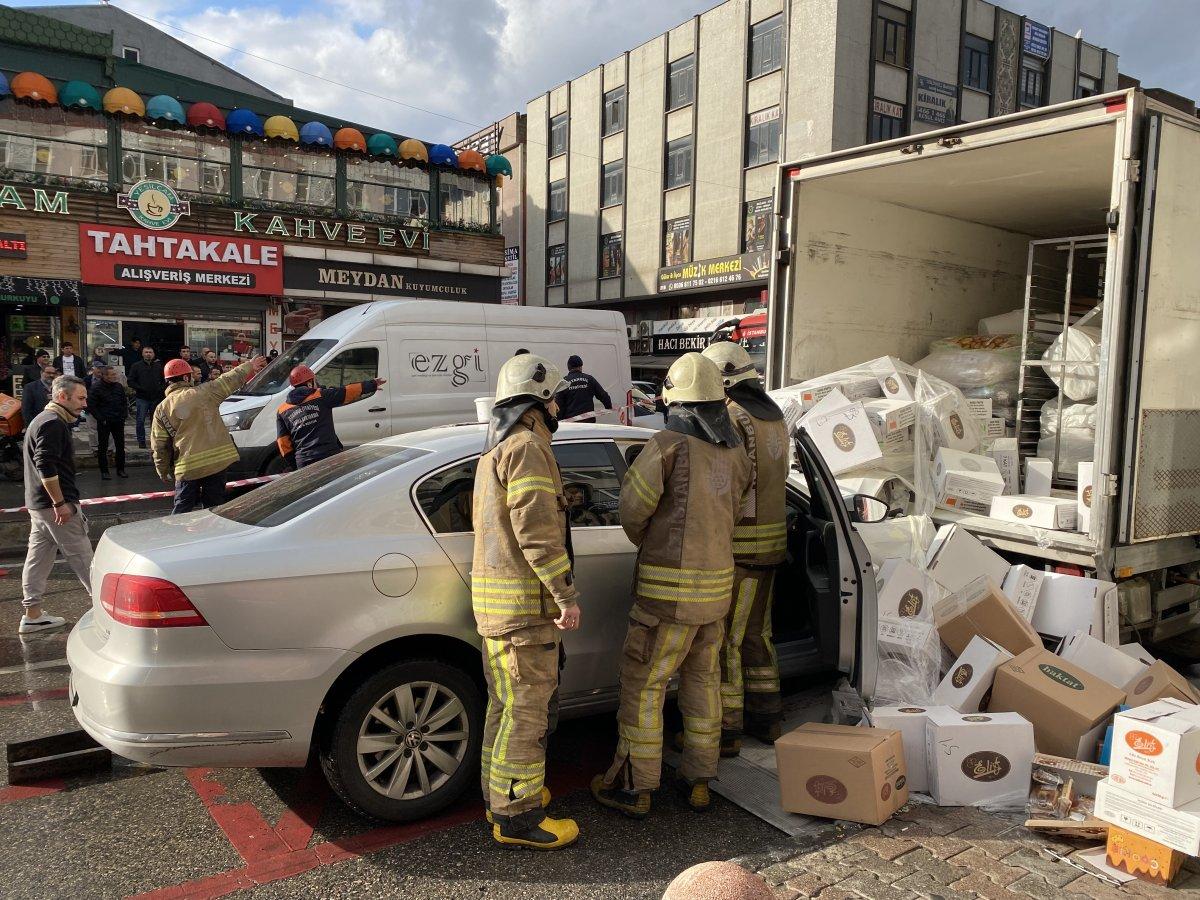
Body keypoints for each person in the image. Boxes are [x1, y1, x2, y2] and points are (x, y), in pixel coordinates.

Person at [591, 352, 752, 818]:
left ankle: (634, 787)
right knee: (703, 683)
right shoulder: (735, 452)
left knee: (645, 686)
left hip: (666, 599)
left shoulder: (667, 446)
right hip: (716, 595)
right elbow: (737, 515)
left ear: (676, 401)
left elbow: (632, 511)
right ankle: (699, 779)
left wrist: (656, 542)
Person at [473, 353, 581, 850]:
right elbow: (537, 531)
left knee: (505, 708)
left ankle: (502, 797)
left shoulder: (495, 450)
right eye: (553, 398)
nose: (559, 407)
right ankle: (518, 817)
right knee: (526, 715)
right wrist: (565, 595)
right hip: (526, 613)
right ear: (538, 404)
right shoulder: (529, 448)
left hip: (499, 612)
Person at [702, 341, 789, 754]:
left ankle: (728, 730)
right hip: (773, 547)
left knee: (729, 641)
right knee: (759, 634)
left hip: (741, 549)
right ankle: (768, 717)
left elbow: (730, 484)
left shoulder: (734, 417)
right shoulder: (775, 417)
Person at [19, 375, 92, 634]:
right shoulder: (53, 423)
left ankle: (33, 614)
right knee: (84, 558)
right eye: (80, 398)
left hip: (38, 507)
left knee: (37, 559)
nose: (85, 404)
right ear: (62, 397)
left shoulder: (41, 420)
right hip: (55, 508)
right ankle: (108, 614)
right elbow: (45, 464)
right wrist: (61, 502)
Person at [152, 355, 268, 514]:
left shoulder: (161, 409)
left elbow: (159, 445)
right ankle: (212, 535)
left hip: (187, 468)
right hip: (216, 464)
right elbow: (229, 379)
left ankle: (177, 537)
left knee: (182, 511)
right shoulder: (205, 392)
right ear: (186, 377)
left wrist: (163, 470)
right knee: (214, 510)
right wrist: (249, 366)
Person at [275, 366, 387, 470]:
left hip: (304, 461)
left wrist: (296, 466)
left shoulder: (282, 410)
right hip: (329, 456)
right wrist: (372, 384)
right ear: (310, 383)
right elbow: (347, 391)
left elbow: (283, 444)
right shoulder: (322, 396)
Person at [87, 365, 128, 481]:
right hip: (104, 421)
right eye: (112, 375)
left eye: (115, 374)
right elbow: (91, 405)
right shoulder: (96, 388)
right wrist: (101, 418)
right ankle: (104, 471)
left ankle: (121, 469)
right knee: (103, 447)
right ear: (104, 376)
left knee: (120, 446)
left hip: (118, 420)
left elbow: (124, 402)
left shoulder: (118, 387)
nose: (115, 377)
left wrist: (123, 415)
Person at [554, 355, 612, 424]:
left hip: (571, 424)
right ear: (581, 366)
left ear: (568, 367)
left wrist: (560, 422)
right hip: (588, 422)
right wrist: (609, 407)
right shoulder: (589, 379)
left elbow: (558, 405)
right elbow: (603, 395)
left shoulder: (563, 382)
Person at [127, 346, 165, 449]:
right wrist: (140, 388)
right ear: (142, 354)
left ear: (154, 354)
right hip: (142, 398)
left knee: (156, 421)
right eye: (146, 352)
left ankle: (155, 441)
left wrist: (160, 389)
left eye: (150, 352)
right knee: (140, 420)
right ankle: (141, 441)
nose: (148, 354)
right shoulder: (136, 366)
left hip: (156, 398)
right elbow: (130, 381)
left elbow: (164, 380)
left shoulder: (159, 366)